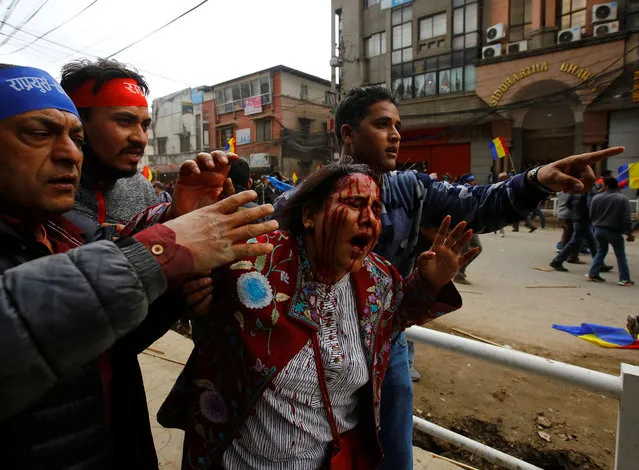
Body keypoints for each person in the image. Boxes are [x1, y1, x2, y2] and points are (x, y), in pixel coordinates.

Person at [198, 86, 624, 470]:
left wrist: (538, 180)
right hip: (302, 343)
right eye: (382, 124)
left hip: (387, 339)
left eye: (398, 125)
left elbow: (479, 206)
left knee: (389, 445)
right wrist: (198, 285)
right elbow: (246, 276)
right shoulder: (302, 203)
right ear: (348, 133)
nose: (396, 134)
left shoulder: (411, 191)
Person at [0, 63, 279, 470]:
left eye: (145, 124)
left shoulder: (72, 222)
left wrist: (179, 286)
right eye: (40, 133)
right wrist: (164, 250)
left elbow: (112, 339)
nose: (140, 137)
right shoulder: (51, 206)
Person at [159, 163, 475, 469]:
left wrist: (431, 281)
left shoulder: (379, 277)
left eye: (376, 209)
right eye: (354, 204)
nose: (368, 219)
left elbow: (393, 319)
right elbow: (175, 279)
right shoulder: (253, 259)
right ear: (310, 215)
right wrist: (190, 255)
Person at [60, 58, 158, 225]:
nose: (140, 138)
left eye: (144, 125)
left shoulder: (142, 190)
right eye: (124, 121)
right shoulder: (40, 191)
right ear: (78, 122)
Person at [586, 177, 635, 285]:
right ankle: (624, 278)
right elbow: (626, 217)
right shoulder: (622, 198)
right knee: (620, 254)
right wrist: (629, 232)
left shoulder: (596, 198)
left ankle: (593, 273)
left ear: (606, 185)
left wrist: (596, 223)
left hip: (598, 229)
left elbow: (591, 214)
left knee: (601, 251)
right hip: (614, 230)